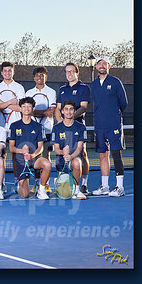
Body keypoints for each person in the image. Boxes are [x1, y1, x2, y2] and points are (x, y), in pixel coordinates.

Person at [89, 57, 128, 197]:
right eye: (99, 63)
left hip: (114, 125)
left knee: (116, 154)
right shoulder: (93, 85)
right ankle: (105, 186)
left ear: (109, 66)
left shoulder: (116, 82)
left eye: (104, 63)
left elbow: (124, 103)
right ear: (96, 67)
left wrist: (113, 115)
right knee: (102, 155)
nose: (101, 66)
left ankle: (120, 187)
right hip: (100, 126)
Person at [55, 62, 91, 194]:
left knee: (82, 153)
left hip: (77, 126)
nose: (69, 74)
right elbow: (58, 108)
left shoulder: (83, 88)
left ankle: (84, 184)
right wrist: (61, 122)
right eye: (67, 71)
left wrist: (70, 118)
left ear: (77, 72)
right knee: (61, 152)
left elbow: (83, 107)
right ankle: (62, 181)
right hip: (63, 127)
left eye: (72, 71)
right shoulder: (62, 89)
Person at [0, 61, 26, 192]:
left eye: (10, 70)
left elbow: (21, 108)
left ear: (13, 72)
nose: (7, 73)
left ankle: (17, 183)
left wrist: (3, 104)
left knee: (16, 155)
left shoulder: (19, 88)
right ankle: (2, 183)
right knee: (1, 155)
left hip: (16, 127)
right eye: (5, 71)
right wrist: (11, 102)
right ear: (1, 72)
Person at [8, 97, 51, 200]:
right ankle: (19, 185)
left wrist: (32, 155)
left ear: (33, 108)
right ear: (20, 109)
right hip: (21, 160)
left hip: (34, 159)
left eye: (29, 106)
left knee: (47, 164)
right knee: (25, 194)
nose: (26, 108)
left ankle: (41, 190)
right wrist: (22, 151)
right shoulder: (14, 126)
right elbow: (11, 148)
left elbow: (40, 147)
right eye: (24, 106)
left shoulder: (38, 126)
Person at [25, 66, 56, 194]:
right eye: (37, 75)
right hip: (32, 131)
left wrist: (35, 112)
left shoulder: (52, 92)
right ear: (34, 78)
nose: (39, 77)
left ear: (46, 77)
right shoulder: (29, 93)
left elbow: (51, 112)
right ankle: (37, 183)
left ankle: (45, 184)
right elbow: (27, 111)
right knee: (34, 158)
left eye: (42, 75)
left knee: (45, 156)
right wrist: (43, 112)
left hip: (47, 130)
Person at [51, 101, 88, 199]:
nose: (68, 112)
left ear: (74, 111)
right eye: (66, 109)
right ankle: (60, 181)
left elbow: (79, 148)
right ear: (62, 111)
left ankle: (77, 190)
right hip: (61, 161)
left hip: (73, 158)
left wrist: (70, 156)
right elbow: (56, 149)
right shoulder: (56, 128)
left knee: (77, 163)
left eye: (71, 109)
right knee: (65, 194)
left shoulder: (81, 127)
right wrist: (63, 153)